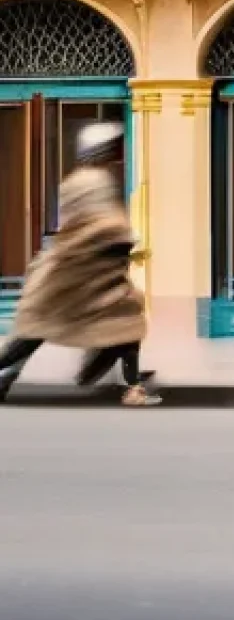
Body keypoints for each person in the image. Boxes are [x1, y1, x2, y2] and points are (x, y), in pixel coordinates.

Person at [0, 122, 160, 407]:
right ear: (104, 150)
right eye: (116, 146)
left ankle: (130, 383)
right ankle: (127, 385)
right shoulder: (94, 181)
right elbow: (99, 225)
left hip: (81, 272)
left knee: (122, 324)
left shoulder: (82, 179)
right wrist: (124, 238)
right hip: (80, 275)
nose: (120, 152)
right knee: (39, 329)